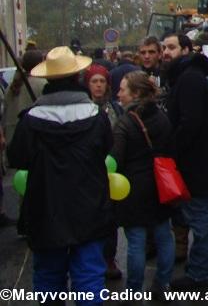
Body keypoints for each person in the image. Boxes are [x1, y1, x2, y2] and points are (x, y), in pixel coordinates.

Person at [7, 47, 113, 305]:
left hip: (46, 209)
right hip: (89, 208)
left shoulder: (30, 120)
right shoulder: (97, 117)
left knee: (48, 279)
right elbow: (106, 150)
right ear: (78, 76)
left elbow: (16, 159)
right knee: (89, 279)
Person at [162, 33, 208, 290]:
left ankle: (199, 274)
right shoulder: (187, 76)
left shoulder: (189, 79)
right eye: (164, 47)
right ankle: (206, 263)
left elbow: (190, 122)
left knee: (198, 216)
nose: (166, 52)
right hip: (197, 159)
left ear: (186, 50)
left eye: (171, 47)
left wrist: (172, 150)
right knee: (202, 213)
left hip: (192, 161)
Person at [111, 72, 175, 300]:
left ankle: (134, 291)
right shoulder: (161, 116)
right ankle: (163, 283)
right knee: (164, 235)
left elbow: (116, 158)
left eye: (122, 89)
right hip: (160, 184)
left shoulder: (126, 122)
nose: (118, 93)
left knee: (136, 242)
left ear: (136, 94)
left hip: (133, 187)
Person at [83, 63, 123, 279]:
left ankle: (109, 257)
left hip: (113, 170)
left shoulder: (115, 108)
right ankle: (93, 258)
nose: (98, 86)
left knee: (111, 218)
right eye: (94, 82)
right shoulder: (83, 109)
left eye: (101, 82)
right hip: (90, 170)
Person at [1, 49, 45, 229]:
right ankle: (33, 219)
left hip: (15, 137)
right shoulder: (40, 84)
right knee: (37, 180)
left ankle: (24, 218)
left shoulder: (14, 85)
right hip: (33, 136)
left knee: (23, 180)